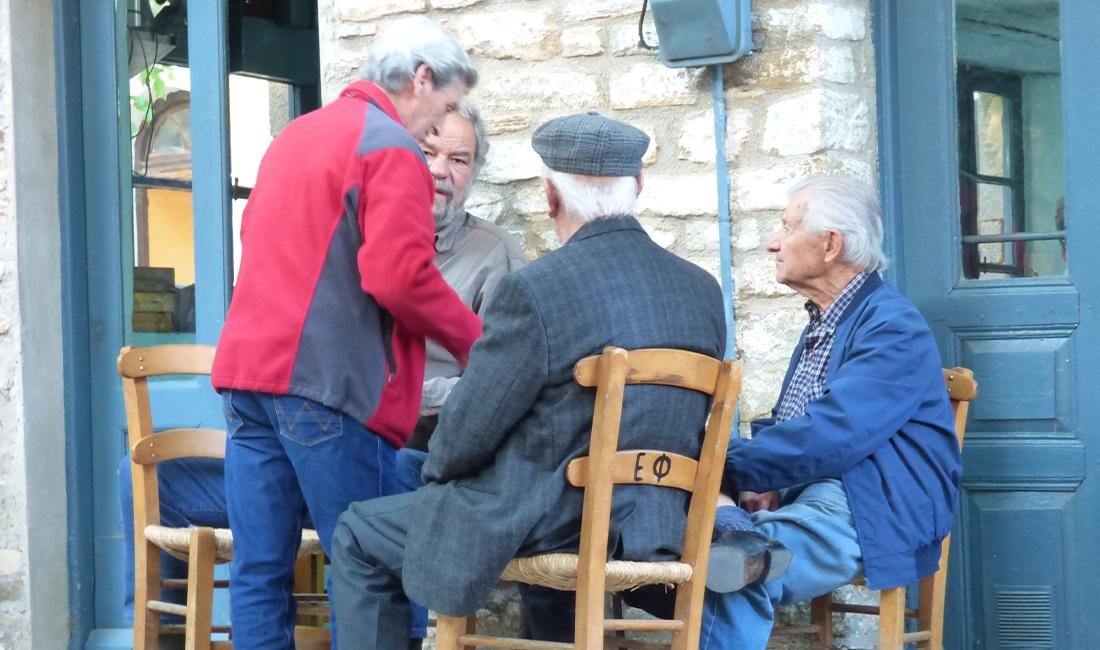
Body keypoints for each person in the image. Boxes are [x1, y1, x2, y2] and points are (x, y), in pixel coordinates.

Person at [114, 101, 523, 630]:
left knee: (362, 543)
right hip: (312, 426)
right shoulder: (343, 229)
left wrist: (415, 395)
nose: (439, 170)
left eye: (460, 159)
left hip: (406, 454)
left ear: (475, 174)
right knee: (151, 481)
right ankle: (150, 634)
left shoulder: (493, 254)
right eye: (427, 151)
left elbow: (501, 380)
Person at [330, 112, 727, 649]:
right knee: (532, 491)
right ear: (637, 186)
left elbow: (463, 436)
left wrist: (443, 474)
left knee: (358, 530)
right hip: (652, 519)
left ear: (550, 196)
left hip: (554, 518)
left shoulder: (537, 291)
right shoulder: (701, 291)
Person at [209, 16, 482, 649]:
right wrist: (477, 341)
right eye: (444, 107)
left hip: (247, 378)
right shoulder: (387, 146)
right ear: (420, 78)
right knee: (372, 569)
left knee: (259, 570)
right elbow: (399, 277)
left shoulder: (294, 137)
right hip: (325, 384)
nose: (438, 128)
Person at [698, 175, 962, 649]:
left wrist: (719, 459)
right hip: (819, 495)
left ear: (831, 245)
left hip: (868, 504)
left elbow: (834, 434)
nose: (771, 242)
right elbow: (796, 425)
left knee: (734, 567)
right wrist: (766, 479)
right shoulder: (828, 320)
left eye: (786, 227)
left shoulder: (892, 325)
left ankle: (747, 548)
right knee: (699, 551)